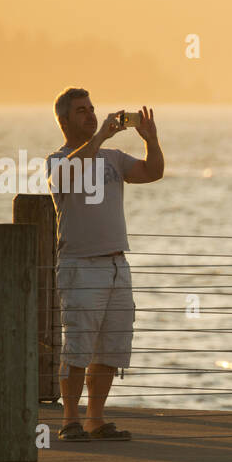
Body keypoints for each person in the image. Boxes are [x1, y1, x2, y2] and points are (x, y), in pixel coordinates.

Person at [46, 88, 164, 441]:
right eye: (82, 111)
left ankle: (95, 419)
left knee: (111, 346)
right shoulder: (59, 159)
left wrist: (151, 141)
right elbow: (63, 179)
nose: (91, 114)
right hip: (80, 265)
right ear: (63, 120)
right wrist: (99, 138)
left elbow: (152, 172)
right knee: (78, 346)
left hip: (116, 264)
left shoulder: (113, 158)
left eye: (92, 109)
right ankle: (70, 420)